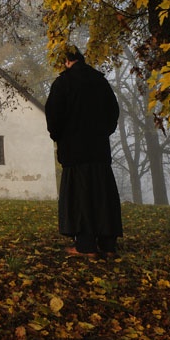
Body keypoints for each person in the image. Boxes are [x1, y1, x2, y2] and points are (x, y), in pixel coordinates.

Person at [45, 45, 122, 257]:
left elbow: (54, 116)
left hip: (74, 150)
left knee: (80, 197)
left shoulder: (63, 83)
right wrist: (102, 132)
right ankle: (108, 245)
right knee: (102, 195)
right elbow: (112, 112)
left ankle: (86, 245)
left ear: (66, 62)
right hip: (98, 150)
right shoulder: (100, 82)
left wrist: (58, 136)